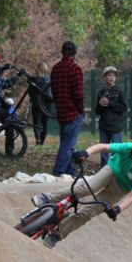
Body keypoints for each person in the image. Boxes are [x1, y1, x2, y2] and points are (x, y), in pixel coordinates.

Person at [30, 131, 132, 249]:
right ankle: (49, 197)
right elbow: (103, 147)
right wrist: (86, 153)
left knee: (89, 212)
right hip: (111, 171)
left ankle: (57, 235)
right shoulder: (128, 148)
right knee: (88, 187)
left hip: (120, 188)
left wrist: (118, 209)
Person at [50, 41, 85, 176]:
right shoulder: (75, 69)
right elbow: (79, 94)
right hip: (73, 112)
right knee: (68, 145)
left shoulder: (55, 69)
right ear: (74, 53)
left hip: (61, 111)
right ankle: (58, 172)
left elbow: (53, 90)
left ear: (62, 52)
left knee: (66, 142)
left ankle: (70, 171)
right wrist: (81, 110)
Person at [95, 66, 128, 165]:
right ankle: (103, 170)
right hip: (104, 126)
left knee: (116, 152)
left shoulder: (120, 91)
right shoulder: (101, 92)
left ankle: (115, 171)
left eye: (113, 75)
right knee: (104, 152)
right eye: (109, 75)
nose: (111, 77)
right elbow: (97, 112)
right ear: (105, 77)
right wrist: (100, 105)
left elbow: (124, 108)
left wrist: (110, 103)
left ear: (116, 78)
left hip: (116, 127)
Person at [28, 62, 52, 146]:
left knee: (37, 123)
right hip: (47, 104)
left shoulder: (34, 80)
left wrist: (32, 98)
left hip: (37, 103)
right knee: (45, 124)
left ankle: (37, 139)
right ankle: (42, 142)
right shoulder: (49, 79)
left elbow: (30, 92)